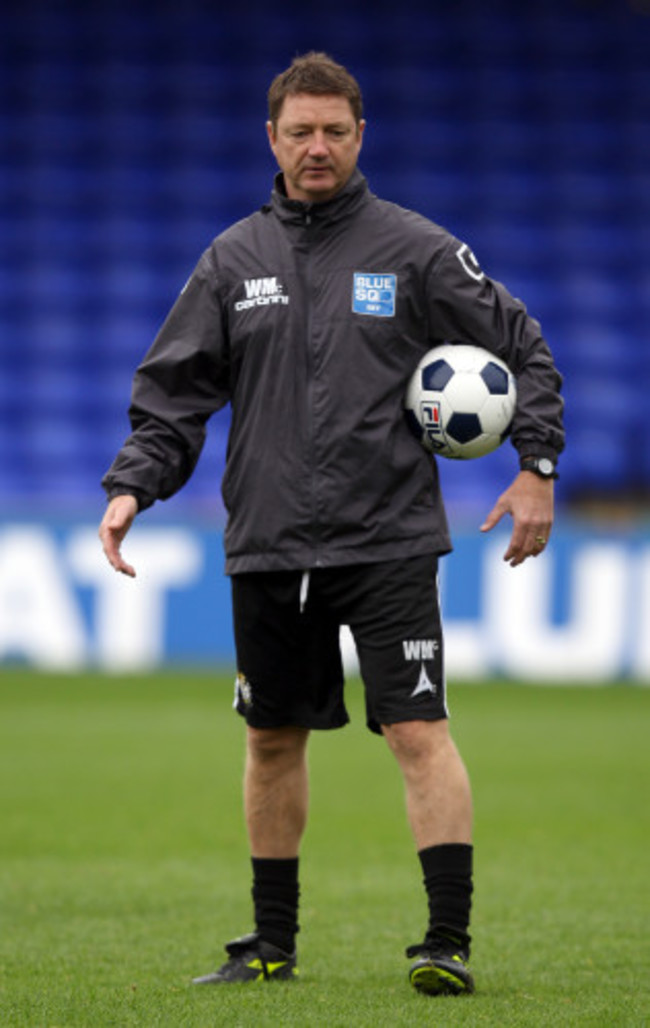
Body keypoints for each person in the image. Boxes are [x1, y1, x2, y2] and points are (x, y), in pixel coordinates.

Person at [99, 52, 564, 997]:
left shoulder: (418, 251)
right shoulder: (232, 261)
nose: (318, 147)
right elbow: (173, 399)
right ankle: (271, 945)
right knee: (270, 739)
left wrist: (536, 466)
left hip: (388, 538)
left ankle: (446, 941)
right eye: (301, 132)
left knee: (418, 729)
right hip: (269, 541)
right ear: (271, 139)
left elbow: (523, 349)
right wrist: (132, 488)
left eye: (335, 132)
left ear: (361, 138)